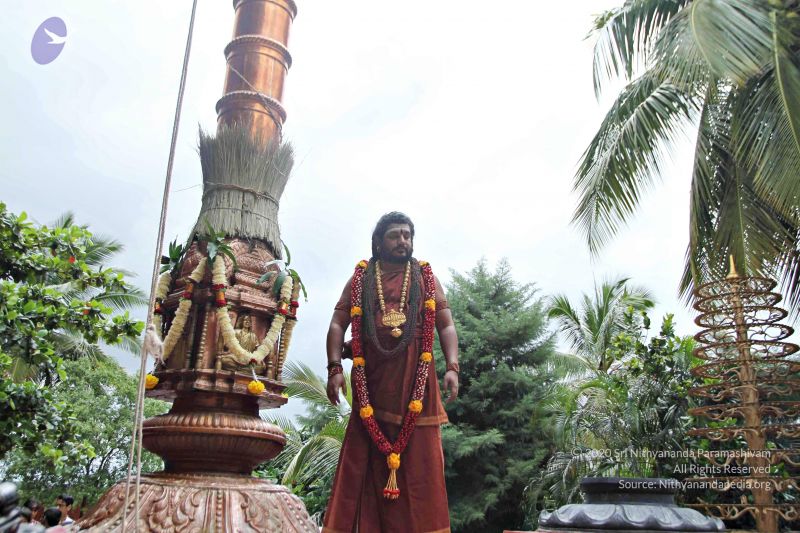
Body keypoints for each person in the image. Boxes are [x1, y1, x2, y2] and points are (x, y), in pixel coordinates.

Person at [323, 212, 460, 533]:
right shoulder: (361, 279)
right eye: (395, 235)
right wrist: (334, 368)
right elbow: (337, 324)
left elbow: (446, 325)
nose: (403, 241)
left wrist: (453, 367)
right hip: (372, 389)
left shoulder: (426, 278)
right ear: (378, 242)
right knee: (364, 467)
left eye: (407, 235)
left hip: (418, 390)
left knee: (422, 470)